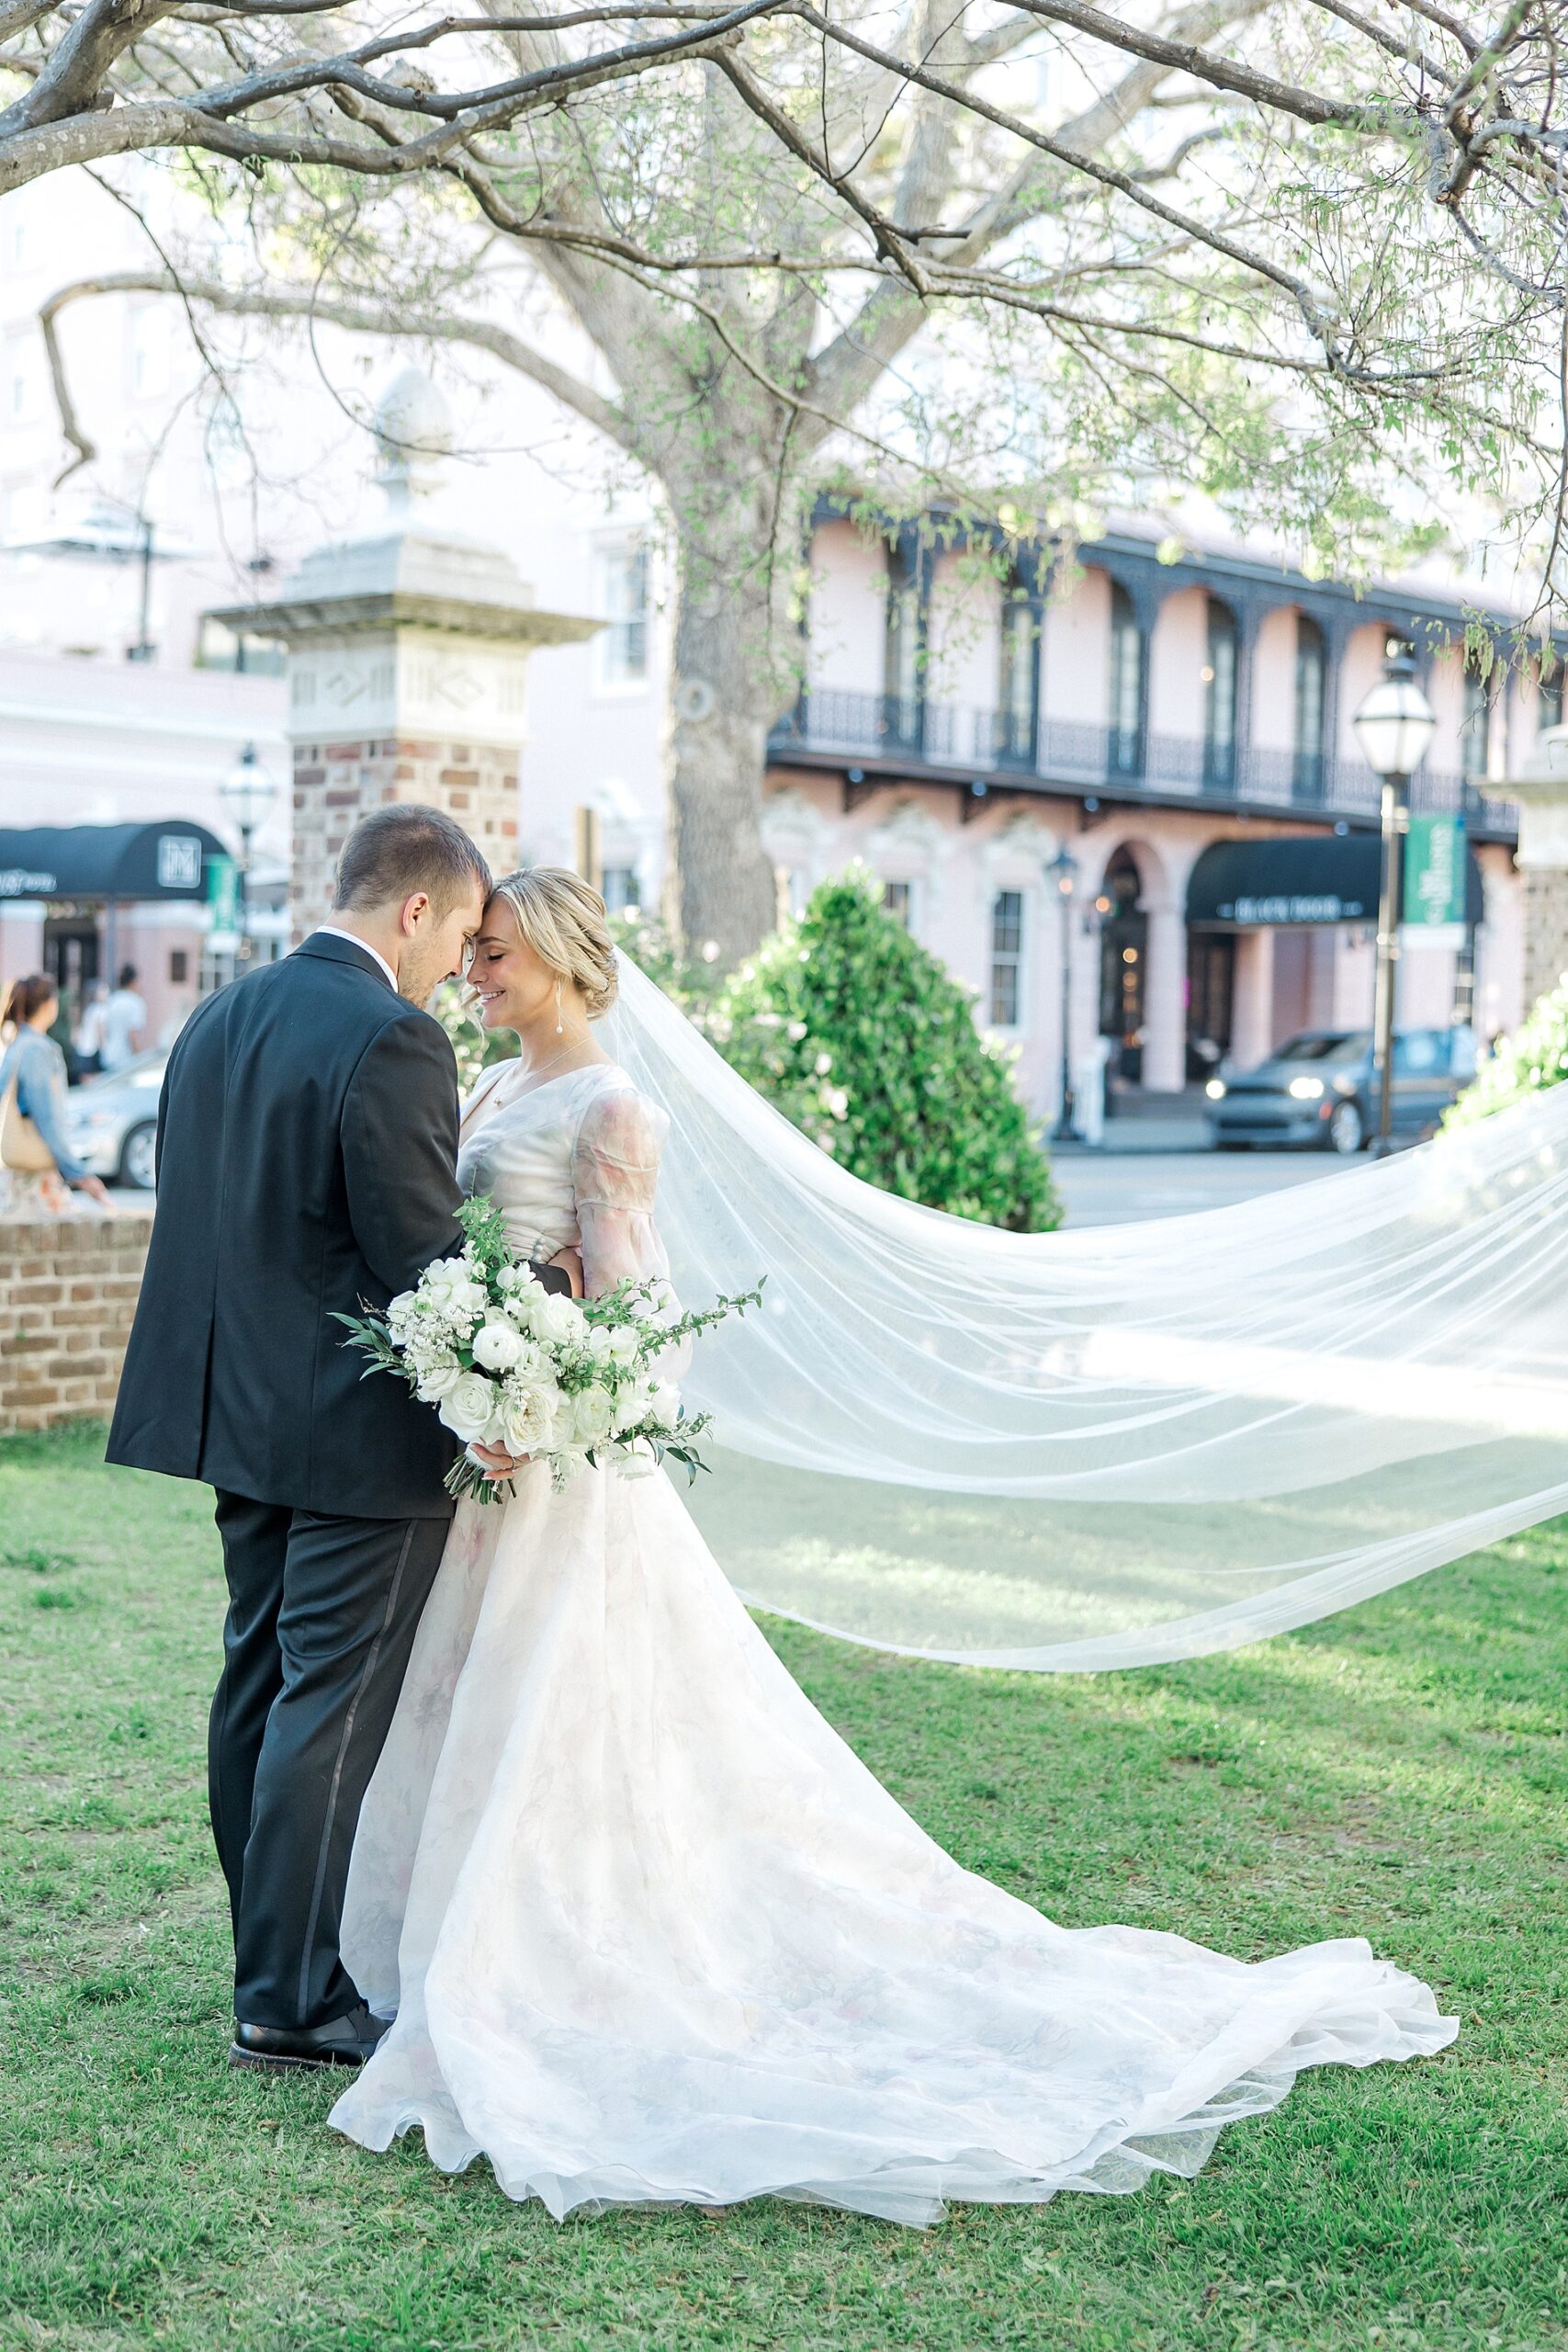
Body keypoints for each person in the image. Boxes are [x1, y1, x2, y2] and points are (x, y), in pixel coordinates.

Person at [328, 869, 1455, 2228]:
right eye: (477, 957)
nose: (477, 975)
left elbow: (636, 1317)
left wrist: (540, 1401)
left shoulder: (612, 1106)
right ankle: (468, 1945)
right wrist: (474, 1377)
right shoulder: (496, 1091)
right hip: (490, 1471)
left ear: (564, 959)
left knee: (576, 1718)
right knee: (487, 1709)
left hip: (563, 1470)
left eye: (497, 956)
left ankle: (569, 1960)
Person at [106, 807, 572, 2076]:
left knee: (257, 1677)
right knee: (331, 1697)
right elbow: (417, 1250)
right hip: (353, 1431)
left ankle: (267, 1953)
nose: (454, 970)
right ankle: (292, 1998)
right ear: (413, 909)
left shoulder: (221, 1013)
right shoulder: (391, 1034)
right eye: (461, 935)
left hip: (235, 1414)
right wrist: (541, 1325)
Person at [0, 976, 110, 1211]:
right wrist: (79, 1174)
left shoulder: (16, 1046)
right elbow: (49, 1119)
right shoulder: (39, 1050)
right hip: (36, 1177)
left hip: (15, 1174)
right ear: (50, 1004)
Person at [99, 966, 146, 1074]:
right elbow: (133, 1036)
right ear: (133, 982)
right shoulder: (136, 1002)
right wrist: (140, 1059)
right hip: (126, 1061)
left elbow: (104, 1029)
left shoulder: (112, 1000)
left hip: (109, 1057)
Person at [74, 981, 107, 1078]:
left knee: (86, 1078)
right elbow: (100, 1031)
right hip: (93, 1050)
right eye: (103, 990)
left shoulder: (89, 1008)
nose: (106, 992)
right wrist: (104, 1050)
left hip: (83, 1049)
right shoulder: (100, 1009)